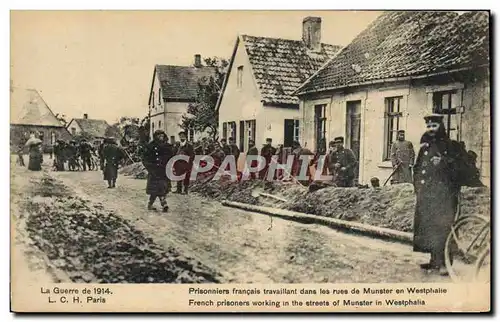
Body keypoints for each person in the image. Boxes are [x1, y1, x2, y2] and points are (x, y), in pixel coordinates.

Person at [412, 114, 464, 276]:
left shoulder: (450, 146)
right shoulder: (424, 147)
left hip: (444, 196)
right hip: (427, 195)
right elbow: (418, 168)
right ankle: (434, 260)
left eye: (434, 126)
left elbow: (461, 167)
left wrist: (443, 162)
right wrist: (417, 187)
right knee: (429, 227)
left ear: (440, 127)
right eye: (428, 126)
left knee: (443, 228)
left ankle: (445, 263)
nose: (431, 130)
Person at [142, 130, 173, 211]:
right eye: (159, 136)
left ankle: (161, 203)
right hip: (154, 171)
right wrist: (149, 167)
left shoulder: (167, 146)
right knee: (154, 189)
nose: (161, 137)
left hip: (163, 170)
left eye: (162, 135)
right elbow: (145, 159)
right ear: (155, 136)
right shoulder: (150, 146)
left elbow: (171, 158)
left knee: (162, 187)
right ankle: (158, 203)